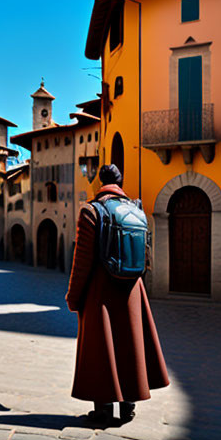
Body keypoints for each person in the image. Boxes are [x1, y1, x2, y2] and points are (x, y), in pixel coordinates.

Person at [65, 164, 169, 425]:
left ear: (100, 182)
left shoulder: (91, 210)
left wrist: (73, 296)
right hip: (134, 287)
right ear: (120, 182)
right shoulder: (137, 209)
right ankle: (128, 406)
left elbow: (82, 260)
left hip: (102, 287)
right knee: (130, 343)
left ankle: (103, 409)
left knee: (102, 347)